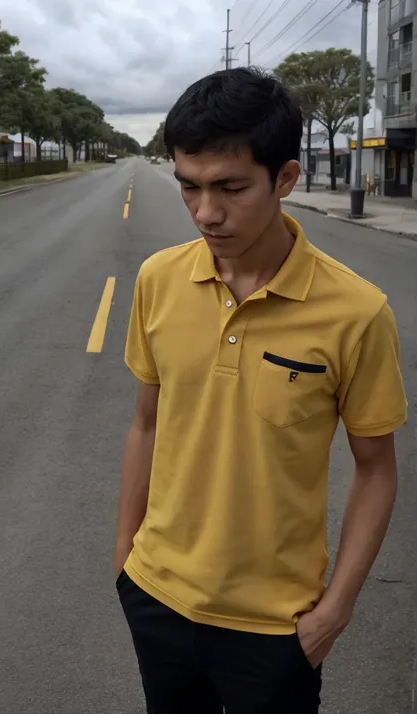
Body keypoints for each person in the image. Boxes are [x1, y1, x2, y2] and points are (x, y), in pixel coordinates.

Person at [114, 67, 407, 713]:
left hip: (275, 627)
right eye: (188, 187)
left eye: (230, 188)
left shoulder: (356, 311)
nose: (205, 213)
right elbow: (146, 423)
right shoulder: (158, 279)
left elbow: (376, 470)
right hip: (156, 599)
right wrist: (125, 562)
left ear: (285, 179)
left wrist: (334, 612)